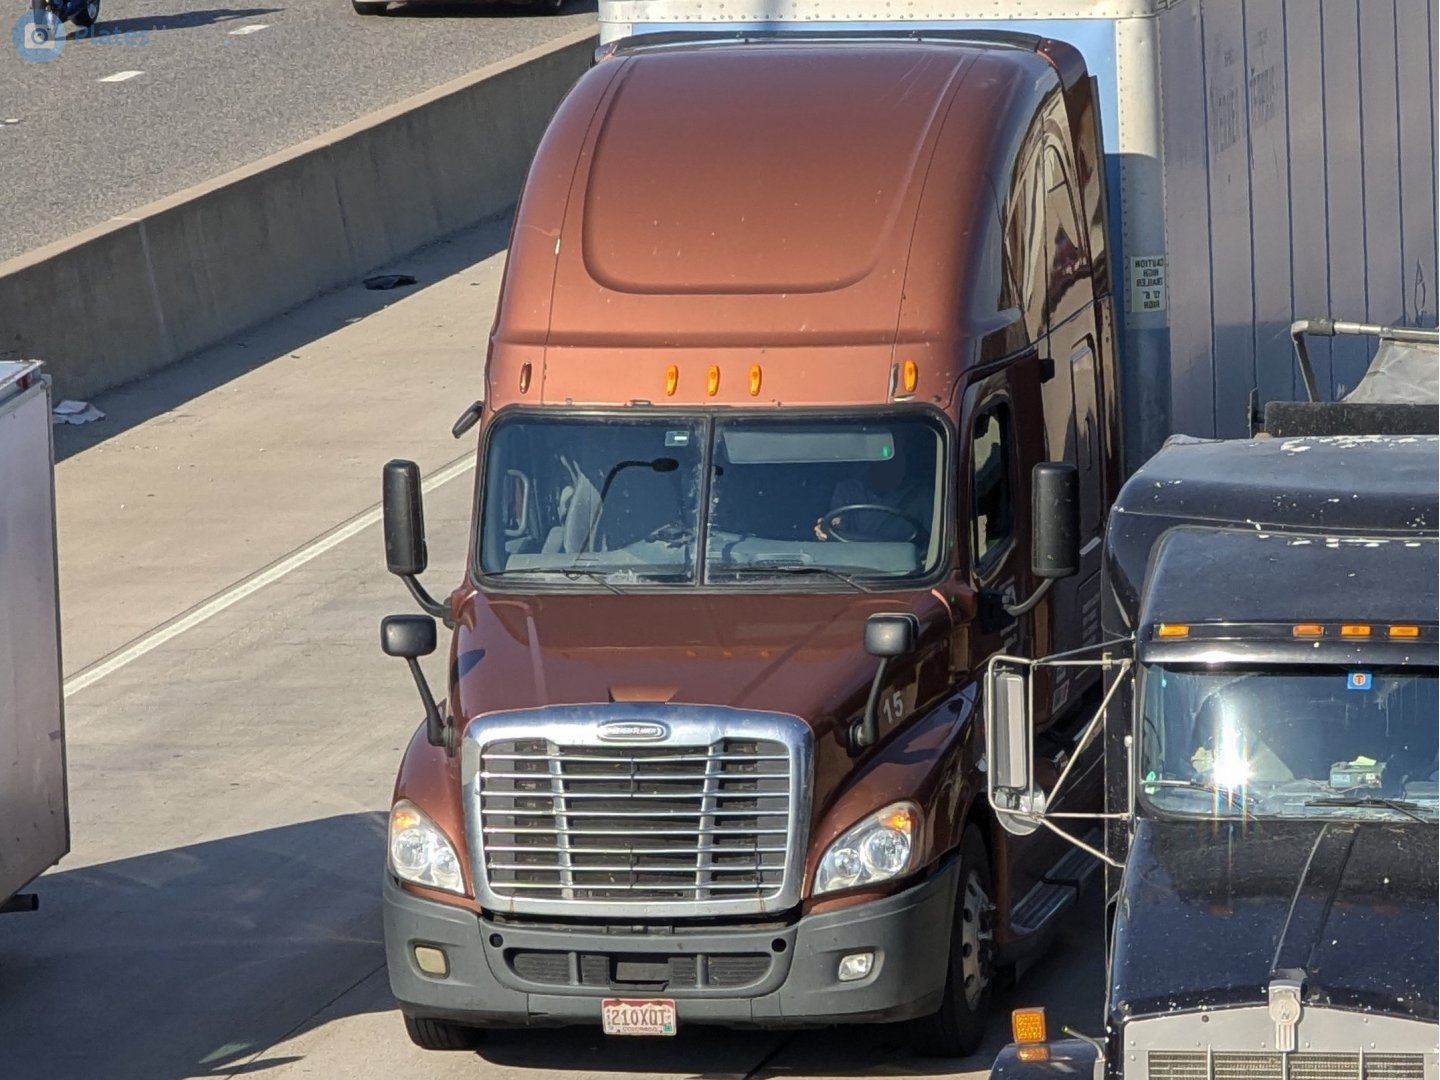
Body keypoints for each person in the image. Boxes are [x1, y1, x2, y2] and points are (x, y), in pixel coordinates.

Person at [813, 435, 932, 543]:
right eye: (879, 459)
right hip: (851, 561)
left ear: (904, 460)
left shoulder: (923, 496)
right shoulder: (848, 490)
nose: (885, 465)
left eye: (891, 458)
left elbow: (936, 546)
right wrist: (829, 528)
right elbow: (838, 525)